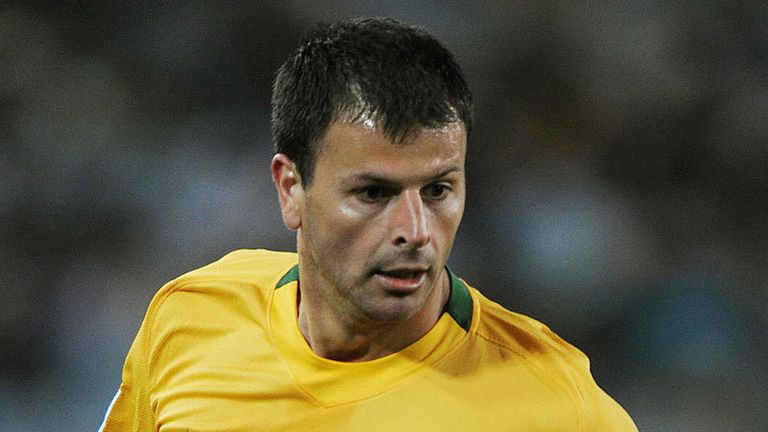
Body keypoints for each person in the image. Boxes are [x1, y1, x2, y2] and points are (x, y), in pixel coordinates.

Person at [99, 17, 638, 431]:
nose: (415, 231)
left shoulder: (558, 408)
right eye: (374, 193)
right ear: (291, 188)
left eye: (438, 190)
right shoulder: (192, 318)